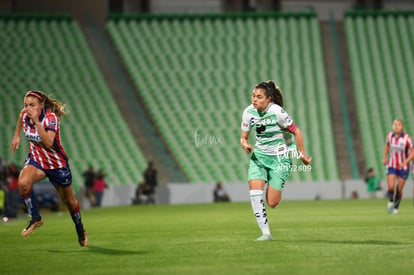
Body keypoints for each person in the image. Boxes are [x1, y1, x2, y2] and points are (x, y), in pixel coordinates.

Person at [10, 90, 88, 246]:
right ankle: (36, 219)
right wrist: (16, 135)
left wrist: (37, 123)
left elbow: (48, 143)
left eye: (32, 105)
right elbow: (20, 117)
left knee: (69, 201)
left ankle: (80, 228)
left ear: (41, 105)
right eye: (26, 105)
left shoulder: (50, 119)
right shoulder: (25, 114)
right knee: (23, 183)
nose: (28, 108)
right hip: (37, 161)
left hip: (56, 165)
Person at [240, 81, 312, 241]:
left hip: (279, 159)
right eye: (253, 96)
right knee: (254, 193)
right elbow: (243, 137)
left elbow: (296, 131)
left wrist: (302, 155)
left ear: (269, 99)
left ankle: (272, 186)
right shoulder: (248, 113)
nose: (254, 99)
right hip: (258, 157)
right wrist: (245, 145)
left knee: (272, 202)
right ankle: (266, 233)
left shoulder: (277, 112)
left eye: (259, 97)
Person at [383, 118, 413, 215]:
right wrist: (384, 157)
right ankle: (391, 200)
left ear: (402, 126)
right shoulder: (389, 136)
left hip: (403, 167)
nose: (396, 126)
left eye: (398, 124)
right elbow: (387, 145)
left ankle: (396, 207)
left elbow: (413, 152)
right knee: (391, 186)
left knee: (399, 189)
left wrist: (406, 161)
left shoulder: (407, 138)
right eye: (395, 124)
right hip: (392, 164)